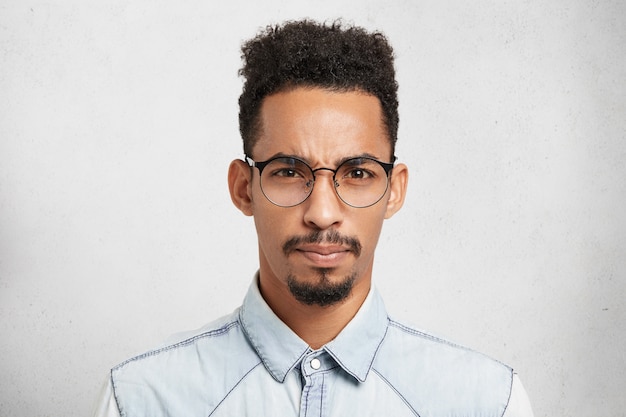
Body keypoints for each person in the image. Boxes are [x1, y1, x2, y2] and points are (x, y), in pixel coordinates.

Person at [93, 20, 534, 417]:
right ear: (244, 188)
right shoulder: (143, 400)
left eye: (357, 173)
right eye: (289, 172)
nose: (322, 213)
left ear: (394, 190)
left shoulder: (486, 402)